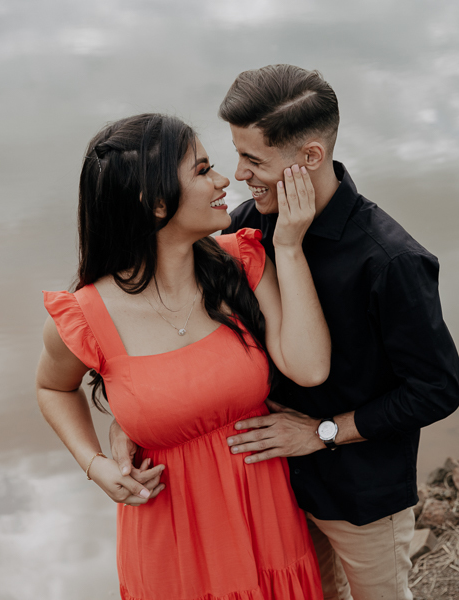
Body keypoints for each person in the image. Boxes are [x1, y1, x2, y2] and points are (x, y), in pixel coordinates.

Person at [111, 65, 459, 600]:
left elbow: (437, 389)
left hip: (361, 493)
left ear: (311, 157)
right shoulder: (246, 226)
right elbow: (170, 315)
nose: (238, 173)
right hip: (269, 488)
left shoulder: (391, 260)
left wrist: (324, 432)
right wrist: (131, 418)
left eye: (254, 159)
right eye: (235, 153)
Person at [36, 113, 329, 600]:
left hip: (269, 525)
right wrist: (95, 465)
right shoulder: (85, 316)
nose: (223, 181)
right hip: (173, 550)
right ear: (154, 204)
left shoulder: (242, 262)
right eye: (202, 170)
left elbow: (310, 367)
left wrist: (290, 247)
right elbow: (52, 387)